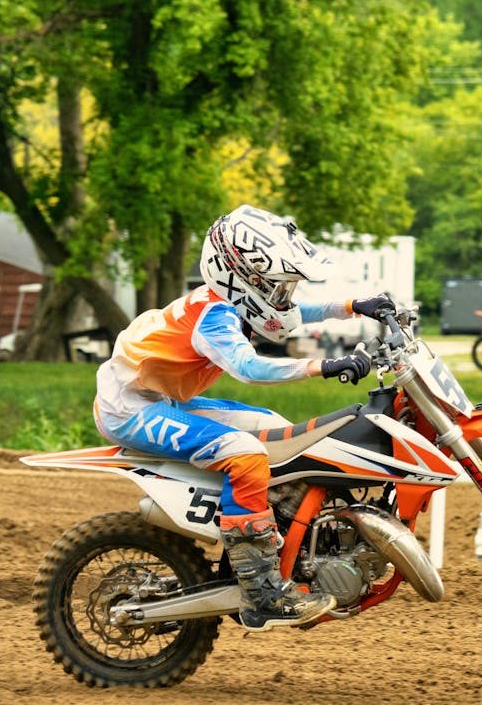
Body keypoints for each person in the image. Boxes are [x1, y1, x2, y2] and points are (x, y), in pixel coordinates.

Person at [93, 204, 393, 632]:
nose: (284, 295)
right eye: (277, 286)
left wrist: (352, 306)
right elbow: (250, 369)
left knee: (276, 430)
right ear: (243, 278)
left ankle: (271, 528)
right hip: (130, 408)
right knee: (249, 455)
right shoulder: (215, 317)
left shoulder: (226, 301)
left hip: (155, 397)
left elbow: (293, 314)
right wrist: (323, 366)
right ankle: (261, 591)